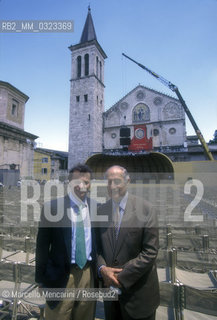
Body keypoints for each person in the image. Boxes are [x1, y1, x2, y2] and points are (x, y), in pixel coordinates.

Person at [97, 165, 160, 320]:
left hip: (139, 297)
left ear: (128, 181)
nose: (112, 186)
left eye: (117, 181)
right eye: (109, 182)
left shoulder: (146, 209)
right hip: (110, 298)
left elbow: (150, 252)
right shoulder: (100, 211)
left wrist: (119, 277)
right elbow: (96, 248)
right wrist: (102, 268)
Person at [35, 164, 97, 320]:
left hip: (87, 274)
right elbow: (42, 245)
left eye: (86, 182)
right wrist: (40, 279)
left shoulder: (97, 208)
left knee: (84, 315)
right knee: (58, 316)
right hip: (60, 274)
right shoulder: (52, 207)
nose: (81, 186)